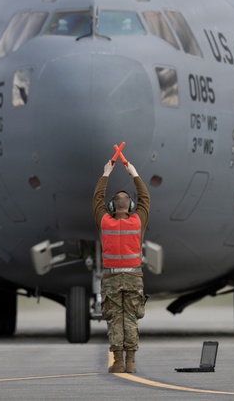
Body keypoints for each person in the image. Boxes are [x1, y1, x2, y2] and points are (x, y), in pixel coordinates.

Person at [93, 154, 150, 374]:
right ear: (131, 206)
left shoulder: (104, 222)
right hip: (134, 277)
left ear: (111, 206)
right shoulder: (138, 222)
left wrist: (106, 173)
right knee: (132, 319)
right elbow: (145, 198)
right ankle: (132, 362)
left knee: (115, 319)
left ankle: (117, 362)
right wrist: (133, 172)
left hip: (111, 278)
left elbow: (97, 199)